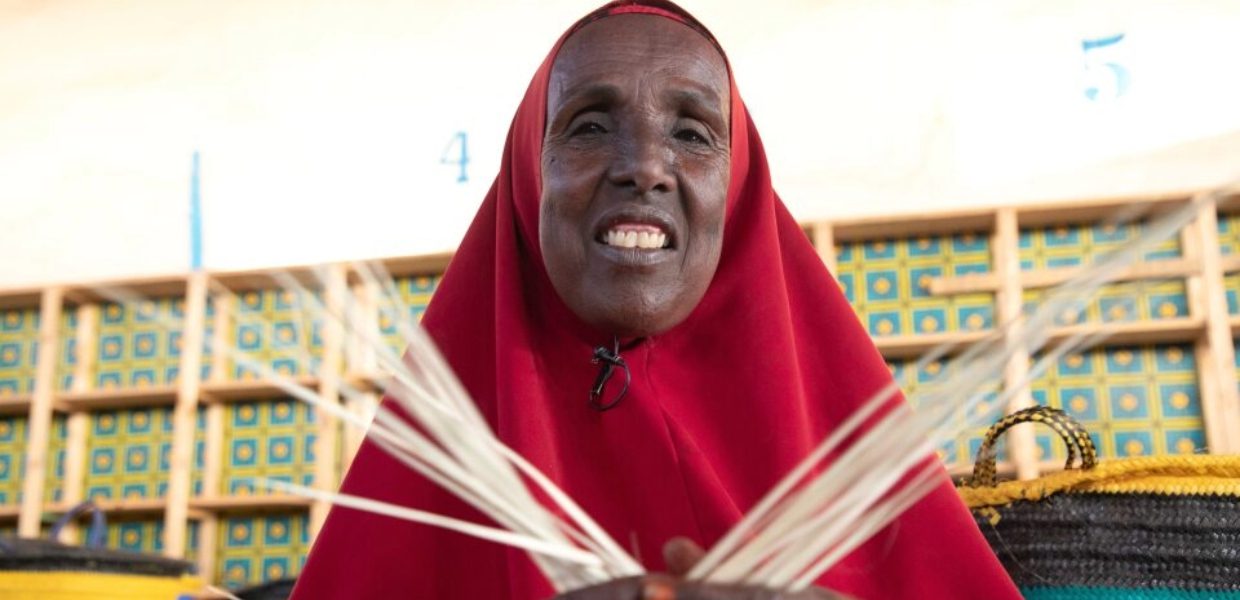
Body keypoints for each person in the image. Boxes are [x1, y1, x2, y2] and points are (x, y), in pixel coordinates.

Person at [291, 2, 1021, 598]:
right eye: (590, 125)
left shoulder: (850, 444)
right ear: (526, 171)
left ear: (736, 188)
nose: (643, 167)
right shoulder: (433, 450)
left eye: (692, 132)